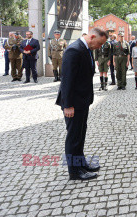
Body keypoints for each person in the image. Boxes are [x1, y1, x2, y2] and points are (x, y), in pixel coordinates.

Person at [56, 27, 108, 180]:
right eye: (99, 44)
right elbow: (67, 80)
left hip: (82, 101)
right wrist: (68, 105)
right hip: (73, 104)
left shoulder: (85, 48)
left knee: (80, 134)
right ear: (92, 37)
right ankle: (74, 171)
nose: (99, 47)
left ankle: (81, 164)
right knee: (73, 137)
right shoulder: (74, 50)